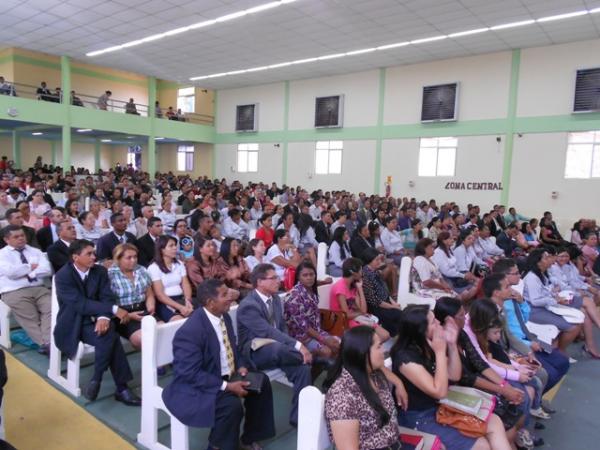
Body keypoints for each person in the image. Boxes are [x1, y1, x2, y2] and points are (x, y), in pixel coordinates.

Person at [162, 279, 275, 450]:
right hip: (199, 384)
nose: (230, 297)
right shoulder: (191, 331)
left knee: (261, 383)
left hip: (225, 373)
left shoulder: (224, 317)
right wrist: (227, 386)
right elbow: (189, 373)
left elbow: (233, 348)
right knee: (231, 406)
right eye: (224, 295)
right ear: (210, 303)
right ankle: (217, 446)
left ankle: (249, 437)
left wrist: (241, 365)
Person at [392, 305, 512, 450]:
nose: (438, 323)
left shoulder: (428, 344)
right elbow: (439, 391)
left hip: (442, 407)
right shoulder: (405, 357)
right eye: (433, 322)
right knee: (482, 446)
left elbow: (454, 375)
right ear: (421, 331)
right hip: (420, 417)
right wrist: (440, 352)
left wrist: (452, 345)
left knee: (494, 420)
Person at [54, 239, 140, 405]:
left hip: (99, 319)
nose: (95, 256)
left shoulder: (99, 271)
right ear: (75, 257)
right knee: (112, 338)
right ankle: (117, 386)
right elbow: (80, 304)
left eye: (94, 252)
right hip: (75, 322)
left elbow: (106, 296)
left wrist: (103, 317)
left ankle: (102, 381)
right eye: (89, 253)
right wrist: (113, 310)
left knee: (109, 335)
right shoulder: (63, 276)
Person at [236, 263, 312, 427]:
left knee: (303, 370)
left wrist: (293, 345)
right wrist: (298, 347)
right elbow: (267, 332)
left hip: (279, 350)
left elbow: (282, 327)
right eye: (274, 278)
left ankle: (298, 418)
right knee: (279, 349)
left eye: (277, 277)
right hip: (255, 352)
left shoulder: (276, 298)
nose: (279, 280)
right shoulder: (248, 305)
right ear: (260, 282)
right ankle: (309, 356)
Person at [491, 259, 570, 395]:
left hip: (527, 337)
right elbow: (507, 336)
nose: (519, 276)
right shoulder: (497, 305)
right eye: (515, 273)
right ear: (505, 276)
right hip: (517, 345)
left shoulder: (513, 294)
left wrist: (522, 303)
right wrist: (528, 346)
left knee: (563, 361)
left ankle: (539, 396)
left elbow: (524, 319)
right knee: (547, 372)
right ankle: (536, 400)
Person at [324, 326, 407, 450]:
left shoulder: (373, 374)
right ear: (362, 352)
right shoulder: (342, 396)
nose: (384, 350)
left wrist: (399, 383)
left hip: (394, 443)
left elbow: (383, 369)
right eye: (379, 346)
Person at [0, 225, 52, 354]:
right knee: (30, 317)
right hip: (14, 291)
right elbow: (11, 272)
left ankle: (49, 343)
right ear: (7, 240)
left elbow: (47, 270)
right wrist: (31, 267)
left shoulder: (35, 251)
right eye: (16, 237)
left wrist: (28, 273)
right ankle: (46, 344)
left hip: (39, 288)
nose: (21, 239)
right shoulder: (2, 254)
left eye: (22, 235)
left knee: (52, 309)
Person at [523, 249, 582, 353]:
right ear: (538, 262)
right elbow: (535, 301)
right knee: (573, 328)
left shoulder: (542, 274)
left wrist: (554, 296)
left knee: (577, 312)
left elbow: (545, 292)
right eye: (546, 258)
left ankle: (559, 352)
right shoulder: (532, 277)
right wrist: (554, 300)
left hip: (544, 306)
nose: (550, 259)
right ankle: (561, 352)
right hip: (534, 311)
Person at [284, 261, 340, 371]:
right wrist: (324, 340)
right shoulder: (294, 297)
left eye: (311, 274)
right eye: (305, 275)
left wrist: (325, 338)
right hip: (301, 338)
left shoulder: (310, 291)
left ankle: (330, 380)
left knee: (338, 345)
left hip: (316, 332)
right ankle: (311, 379)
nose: (309, 278)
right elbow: (304, 327)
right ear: (298, 277)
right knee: (326, 351)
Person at [329, 258, 390, 343]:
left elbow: (363, 309)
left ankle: (369, 352)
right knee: (376, 339)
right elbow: (346, 315)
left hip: (354, 316)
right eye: (361, 270)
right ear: (354, 273)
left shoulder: (353, 285)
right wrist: (361, 313)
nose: (362, 273)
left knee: (385, 335)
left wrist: (360, 288)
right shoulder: (340, 288)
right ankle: (368, 352)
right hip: (341, 321)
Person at [108, 244, 155, 349]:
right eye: (129, 258)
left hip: (143, 309)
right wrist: (129, 315)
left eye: (135, 257)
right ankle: (154, 364)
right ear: (118, 259)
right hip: (123, 315)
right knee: (144, 339)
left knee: (162, 333)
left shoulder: (141, 270)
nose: (133, 260)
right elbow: (108, 302)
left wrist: (150, 306)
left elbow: (149, 293)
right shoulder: (110, 275)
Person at [148, 235, 194, 322]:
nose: (175, 248)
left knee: (198, 317)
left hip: (181, 299)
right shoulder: (154, 268)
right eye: (171, 246)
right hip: (164, 302)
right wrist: (180, 307)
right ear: (161, 249)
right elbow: (159, 295)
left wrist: (188, 301)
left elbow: (185, 284)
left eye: (175, 245)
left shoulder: (179, 264)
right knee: (179, 321)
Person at [361, 248, 403, 336]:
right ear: (369, 261)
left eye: (379, 259)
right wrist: (392, 307)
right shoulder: (365, 276)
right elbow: (375, 301)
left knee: (400, 313)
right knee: (398, 314)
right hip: (375, 307)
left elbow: (385, 290)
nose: (379, 261)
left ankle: (398, 334)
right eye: (377, 260)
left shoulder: (375, 271)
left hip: (384, 302)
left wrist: (393, 303)